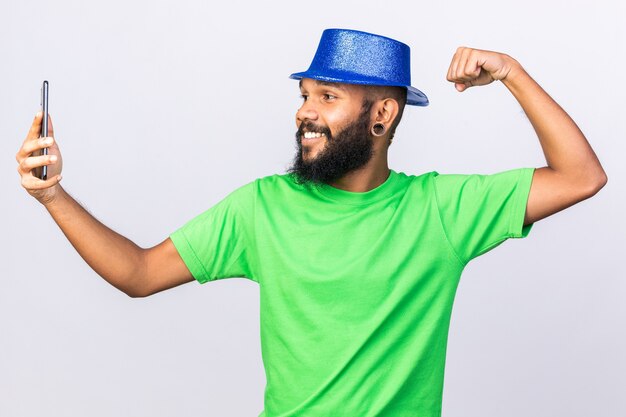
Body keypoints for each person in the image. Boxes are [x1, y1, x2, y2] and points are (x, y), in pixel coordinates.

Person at [16, 28, 607, 417]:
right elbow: (140, 272)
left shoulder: (441, 211)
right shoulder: (262, 208)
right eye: (304, 95)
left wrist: (511, 71)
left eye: (327, 97)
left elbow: (581, 175)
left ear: (381, 114)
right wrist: (53, 196)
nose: (304, 112)